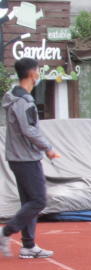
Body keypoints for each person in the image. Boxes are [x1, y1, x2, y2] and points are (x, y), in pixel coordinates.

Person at [1, 57, 61, 259]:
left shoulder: (15, 96)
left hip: (20, 156)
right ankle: (7, 231)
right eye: (38, 70)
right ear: (31, 73)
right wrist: (48, 148)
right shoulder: (23, 100)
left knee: (29, 200)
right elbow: (29, 130)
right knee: (38, 200)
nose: (40, 73)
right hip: (25, 157)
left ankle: (28, 245)